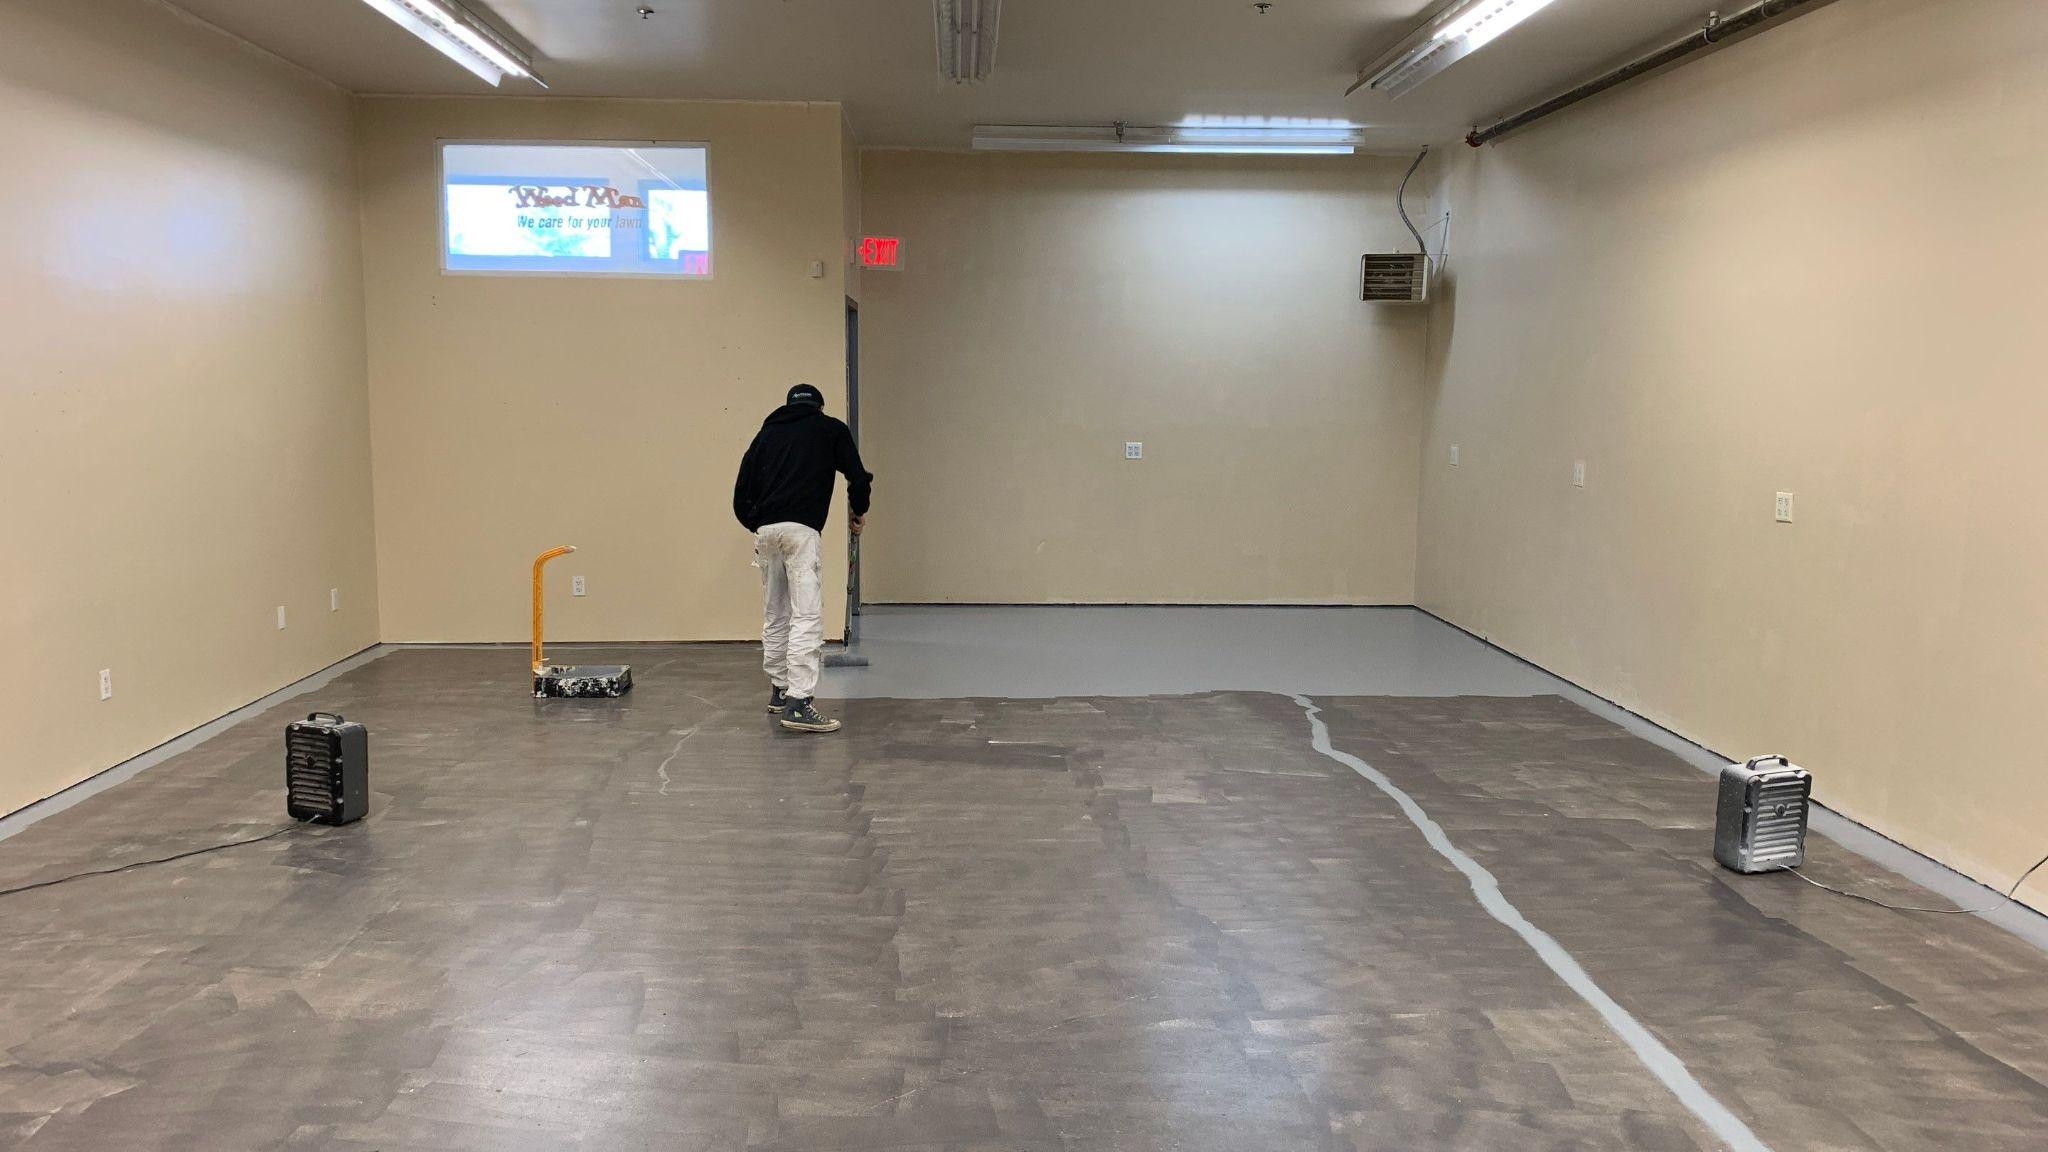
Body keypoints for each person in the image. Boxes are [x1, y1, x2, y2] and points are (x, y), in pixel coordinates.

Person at [732, 383, 872, 733]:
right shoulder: (830, 429)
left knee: (775, 613)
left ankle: (779, 690)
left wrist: (758, 524)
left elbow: (741, 492)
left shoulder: (766, 435)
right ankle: (799, 703)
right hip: (801, 532)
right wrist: (859, 511)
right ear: (819, 407)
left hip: (766, 532)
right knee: (806, 615)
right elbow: (858, 476)